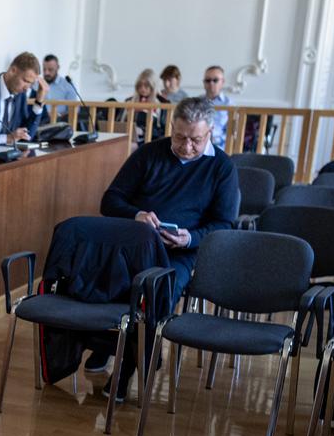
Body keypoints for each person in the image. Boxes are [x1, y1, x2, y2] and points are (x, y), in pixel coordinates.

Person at [99, 96, 240, 297]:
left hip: (181, 253)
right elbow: (110, 201)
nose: (187, 146)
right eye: (180, 137)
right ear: (172, 127)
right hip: (134, 242)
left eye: (196, 140)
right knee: (101, 282)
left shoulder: (222, 167)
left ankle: (151, 329)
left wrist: (190, 238)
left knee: (161, 289)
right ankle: (114, 328)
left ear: (210, 133)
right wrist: (136, 214)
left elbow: (224, 224)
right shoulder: (148, 153)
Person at [33, 54, 83, 126]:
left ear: (58, 68)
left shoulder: (67, 85)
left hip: (60, 123)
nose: (46, 73)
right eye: (44, 69)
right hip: (39, 121)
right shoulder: (37, 84)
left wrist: (57, 115)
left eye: (50, 69)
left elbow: (75, 109)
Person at [200, 65, 231, 147]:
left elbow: (233, 132)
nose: (211, 83)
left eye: (215, 80)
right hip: (197, 143)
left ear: (222, 82)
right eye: (208, 80)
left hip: (220, 146)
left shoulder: (229, 104)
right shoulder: (197, 102)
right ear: (204, 82)